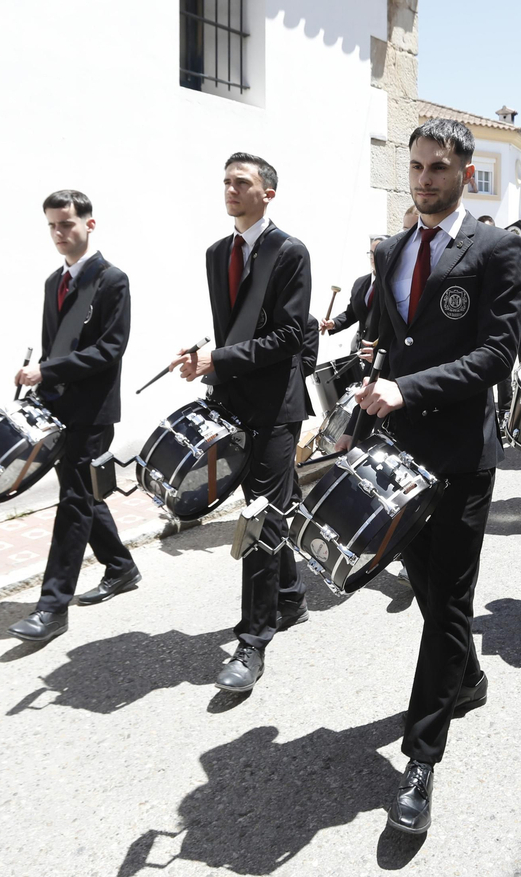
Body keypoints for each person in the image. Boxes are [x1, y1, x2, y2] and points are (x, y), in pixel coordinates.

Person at [353, 118, 521, 835]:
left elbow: (496, 356)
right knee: (429, 592)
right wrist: (368, 373)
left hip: (459, 456)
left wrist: (408, 388)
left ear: (465, 169)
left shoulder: (496, 248)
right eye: (416, 167)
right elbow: (389, 340)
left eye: (437, 168)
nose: (424, 179)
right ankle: (470, 679)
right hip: (398, 453)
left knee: (449, 602)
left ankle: (421, 758)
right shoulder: (390, 248)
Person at [169, 153, 312, 692]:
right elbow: (232, 332)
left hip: (277, 407)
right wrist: (204, 356)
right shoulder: (216, 254)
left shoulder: (289, 252)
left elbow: (290, 338)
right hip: (233, 401)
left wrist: (220, 360)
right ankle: (292, 597)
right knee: (275, 509)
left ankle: (252, 641)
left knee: (257, 516)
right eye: (226, 181)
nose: (230, 189)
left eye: (242, 182)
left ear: (268, 193)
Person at [8, 190, 139, 642]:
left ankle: (52, 608)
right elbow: (52, 348)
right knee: (81, 494)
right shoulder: (53, 283)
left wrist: (47, 370)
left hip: (94, 412)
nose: (60, 233)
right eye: (52, 226)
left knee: (73, 503)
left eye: (67, 224)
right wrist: (39, 385)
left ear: (90, 224)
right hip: (59, 407)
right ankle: (120, 567)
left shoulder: (111, 280)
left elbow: (109, 349)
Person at [323, 235, 385, 352]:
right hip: (359, 349)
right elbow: (352, 313)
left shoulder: (394, 286)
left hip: (381, 352)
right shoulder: (360, 283)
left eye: (377, 253)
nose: (373, 257)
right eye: (371, 253)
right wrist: (334, 323)